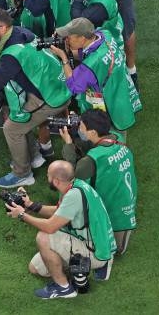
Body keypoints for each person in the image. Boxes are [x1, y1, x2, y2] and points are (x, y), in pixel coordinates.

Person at [0, 7, 70, 188]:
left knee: (11, 128)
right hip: (56, 84)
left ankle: (23, 174)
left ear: (2, 29)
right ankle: (34, 156)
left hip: (50, 98)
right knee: (12, 110)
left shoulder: (11, 55)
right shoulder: (20, 31)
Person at [3, 161, 115, 299]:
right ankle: (78, 268)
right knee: (35, 268)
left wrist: (21, 215)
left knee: (43, 237)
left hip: (95, 249)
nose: (46, 177)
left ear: (56, 181)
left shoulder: (73, 196)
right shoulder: (75, 185)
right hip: (94, 241)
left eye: (48, 175)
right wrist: (29, 205)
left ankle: (64, 288)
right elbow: (59, 212)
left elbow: (50, 227)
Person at [59, 109, 137, 256]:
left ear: (93, 132)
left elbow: (72, 178)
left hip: (111, 221)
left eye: (81, 126)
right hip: (126, 213)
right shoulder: (118, 139)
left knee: (68, 186)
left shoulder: (92, 159)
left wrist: (69, 144)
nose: (79, 129)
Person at [53, 18, 141, 134]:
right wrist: (69, 51)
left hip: (110, 103)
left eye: (69, 36)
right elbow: (89, 52)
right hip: (121, 90)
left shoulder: (92, 65)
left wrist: (64, 58)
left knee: (107, 133)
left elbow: (73, 85)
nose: (67, 39)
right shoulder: (104, 34)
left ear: (82, 38)